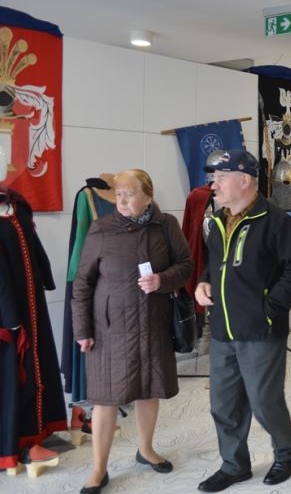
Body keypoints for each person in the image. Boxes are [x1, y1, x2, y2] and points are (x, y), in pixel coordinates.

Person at [195, 149, 291, 491]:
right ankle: (234, 466)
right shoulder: (217, 220)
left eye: (221, 177)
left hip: (260, 330)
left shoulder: (275, 221)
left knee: (264, 402)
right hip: (223, 330)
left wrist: (269, 308)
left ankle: (287, 450)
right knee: (223, 404)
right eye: (213, 178)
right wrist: (204, 281)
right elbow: (216, 265)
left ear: (244, 180)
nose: (213, 184)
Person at [72, 169, 193, 493]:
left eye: (129, 194)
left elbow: (186, 265)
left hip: (153, 324)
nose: (121, 200)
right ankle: (98, 469)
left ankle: (146, 450)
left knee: (149, 390)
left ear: (148, 197)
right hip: (110, 330)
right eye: (118, 194)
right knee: (105, 399)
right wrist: (82, 329)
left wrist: (162, 280)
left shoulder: (166, 225)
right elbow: (82, 283)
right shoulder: (102, 229)